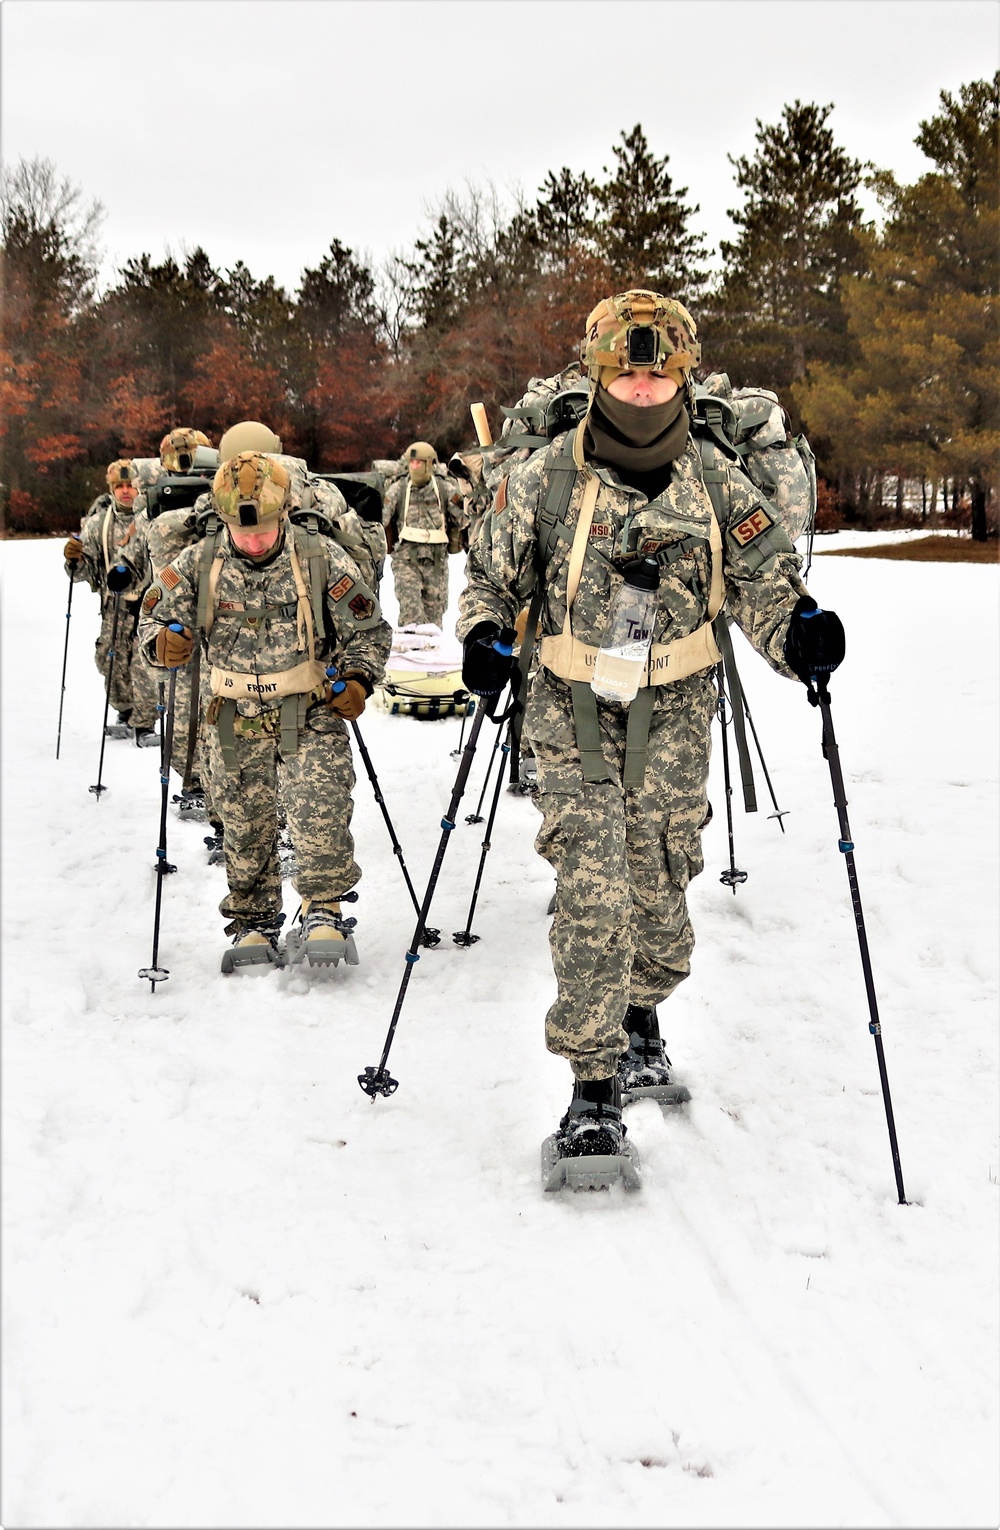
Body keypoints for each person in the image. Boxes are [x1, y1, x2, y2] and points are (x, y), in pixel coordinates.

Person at [457, 289, 845, 1175]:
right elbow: (489, 577)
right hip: (570, 705)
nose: (642, 384)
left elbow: (762, 584)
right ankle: (592, 1088)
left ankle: (643, 1013)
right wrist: (482, 637)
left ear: (681, 371)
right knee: (593, 888)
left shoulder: (717, 479)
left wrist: (800, 637)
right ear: (597, 371)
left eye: (658, 368)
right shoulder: (543, 476)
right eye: (626, 369)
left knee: (662, 892)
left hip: (673, 710)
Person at [137, 451, 391, 971]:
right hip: (231, 718)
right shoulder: (198, 562)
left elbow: (368, 631)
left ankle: (323, 909)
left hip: (311, 710)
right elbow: (151, 616)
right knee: (242, 824)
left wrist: (361, 679)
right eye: (241, 531)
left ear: (284, 513)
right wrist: (161, 643)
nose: (254, 542)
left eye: (265, 530)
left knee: (319, 813)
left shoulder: (318, 556)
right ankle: (254, 922)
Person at [63, 458, 151, 738]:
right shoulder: (98, 523)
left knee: (143, 662)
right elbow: (83, 570)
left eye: (131, 485)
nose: (125, 491)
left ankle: (145, 720)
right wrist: (74, 560)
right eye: (119, 486)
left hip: (148, 605)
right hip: (112, 607)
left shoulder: (152, 518)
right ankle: (125, 710)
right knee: (109, 659)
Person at [382, 442, 466, 628]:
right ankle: (411, 654)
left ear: (429, 464)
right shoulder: (398, 489)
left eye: (418, 463)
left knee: (434, 618)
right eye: (411, 462)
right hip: (406, 559)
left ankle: (430, 655)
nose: (414, 467)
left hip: (437, 562)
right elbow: (381, 520)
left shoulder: (444, 489)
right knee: (411, 614)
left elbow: (464, 518)